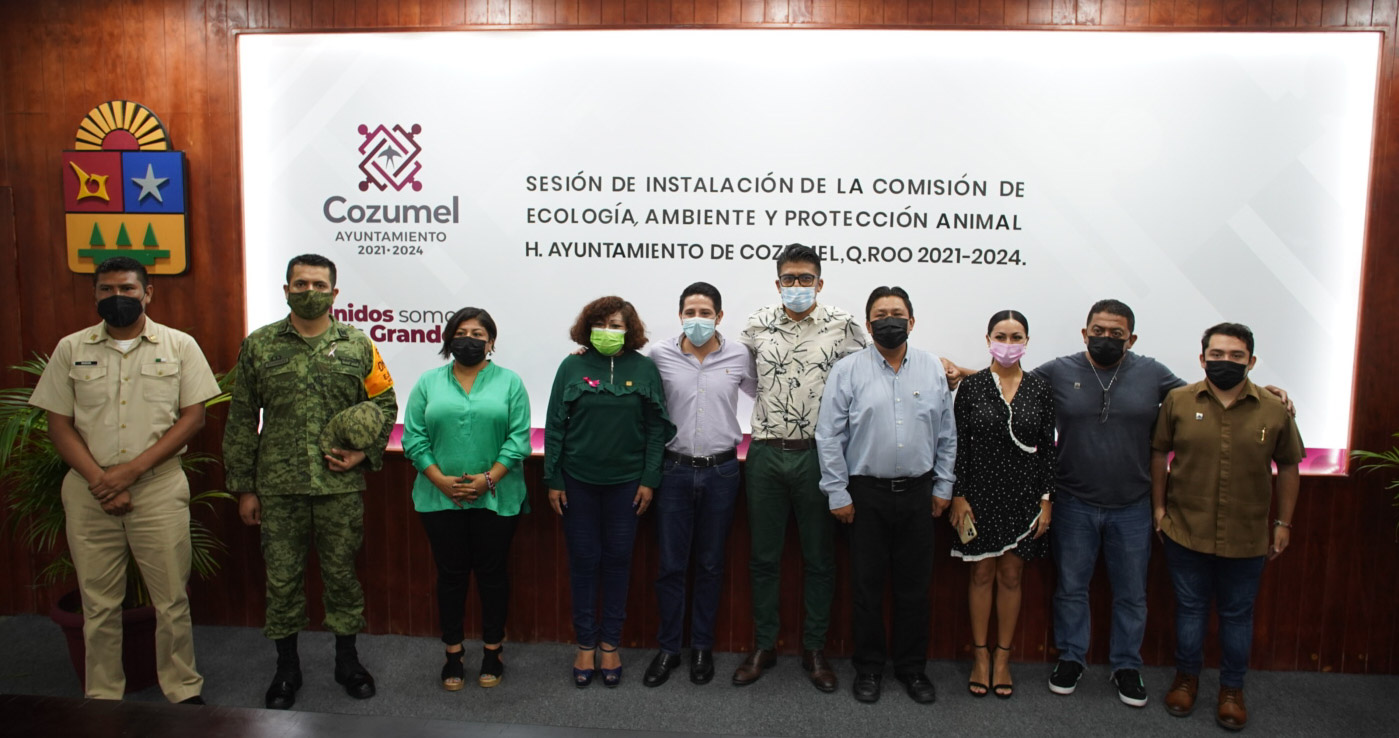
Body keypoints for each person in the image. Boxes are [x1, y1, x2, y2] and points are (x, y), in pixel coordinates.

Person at [29, 256, 221, 705]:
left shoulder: (179, 346)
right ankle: (103, 695)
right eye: (107, 290)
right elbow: (59, 425)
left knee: (171, 599)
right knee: (98, 602)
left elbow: (193, 419)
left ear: (147, 293)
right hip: (88, 492)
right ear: (95, 294)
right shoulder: (71, 348)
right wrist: (101, 480)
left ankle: (182, 688)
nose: (117, 297)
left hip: (157, 488)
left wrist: (130, 473)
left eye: (127, 289)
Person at [223, 254, 397, 710]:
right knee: (282, 581)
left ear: (334, 293)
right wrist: (245, 488)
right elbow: (241, 418)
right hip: (278, 489)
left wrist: (364, 454)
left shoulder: (358, 345)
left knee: (342, 577)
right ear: (286, 290)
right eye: (300, 284)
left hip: (339, 487)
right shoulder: (259, 345)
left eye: (319, 284)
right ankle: (287, 668)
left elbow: (385, 405)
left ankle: (347, 662)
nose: (309, 291)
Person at [1031, 299, 1184, 707]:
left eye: (1117, 333)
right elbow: (1010, 383)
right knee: (1071, 588)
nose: (1106, 338)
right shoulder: (1060, 370)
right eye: (1098, 331)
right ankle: (1071, 658)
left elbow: (1200, 398)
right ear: (1085, 333)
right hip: (1073, 501)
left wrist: (1263, 393)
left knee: (1132, 593)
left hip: (1132, 505)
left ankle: (1126, 665)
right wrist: (960, 373)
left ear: (1131, 339)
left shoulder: (1152, 372)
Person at [1150, 323, 1302, 731]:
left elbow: (1289, 466)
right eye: (1217, 355)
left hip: (1247, 535)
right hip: (1185, 529)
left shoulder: (1273, 408)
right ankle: (1186, 679)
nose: (1225, 362)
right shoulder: (1178, 400)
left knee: (1237, 616)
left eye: (1236, 356)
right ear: (1202, 359)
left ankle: (1232, 690)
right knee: (1190, 610)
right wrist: (1159, 509)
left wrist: (1283, 523)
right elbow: (1159, 453)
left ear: (1251, 361)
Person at [733, 243, 867, 693]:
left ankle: (814, 649)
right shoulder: (756, 324)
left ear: (819, 283)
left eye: (805, 278)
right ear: (778, 283)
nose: (797, 285)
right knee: (763, 558)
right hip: (766, 453)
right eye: (789, 278)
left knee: (820, 559)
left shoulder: (843, 325)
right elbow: (745, 378)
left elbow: (869, 373)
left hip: (818, 455)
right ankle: (764, 645)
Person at [816, 286, 955, 705]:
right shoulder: (847, 370)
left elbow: (946, 435)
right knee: (866, 588)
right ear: (868, 322)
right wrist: (837, 491)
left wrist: (944, 486)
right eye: (880, 314)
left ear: (911, 321)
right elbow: (829, 435)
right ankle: (869, 668)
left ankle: (912, 669)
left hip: (919, 494)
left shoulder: (932, 368)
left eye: (897, 313)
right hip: (866, 495)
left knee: (915, 589)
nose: (889, 320)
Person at [544, 296, 674, 689]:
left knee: (618, 562)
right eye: (600, 323)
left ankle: (610, 644)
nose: (607, 331)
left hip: (628, 485)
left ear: (628, 329)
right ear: (588, 328)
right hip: (577, 482)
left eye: (615, 325)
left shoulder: (644, 368)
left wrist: (650, 478)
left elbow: (656, 429)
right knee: (583, 562)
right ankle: (585, 644)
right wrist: (553, 478)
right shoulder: (572, 366)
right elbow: (555, 425)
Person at [401, 307, 531, 691]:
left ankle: (493, 650)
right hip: (439, 497)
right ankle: (453, 653)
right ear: (448, 339)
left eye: (477, 334)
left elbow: (519, 438)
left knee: (492, 574)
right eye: (461, 333)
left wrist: (488, 479)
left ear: (491, 342)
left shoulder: (510, 382)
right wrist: (440, 480)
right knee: (451, 575)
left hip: (497, 497)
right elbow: (413, 436)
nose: (469, 340)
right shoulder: (428, 382)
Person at [643, 282, 756, 688]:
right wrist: (584, 354)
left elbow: (765, 392)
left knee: (710, 564)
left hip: (722, 471)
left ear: (719, 317)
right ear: (680, 315)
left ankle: (702, 647)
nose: (697, 319)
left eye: (705, 312)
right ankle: (669, 648)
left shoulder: (739, 355)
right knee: (671, 565)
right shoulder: (659, 354)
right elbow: (629, 380)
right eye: (690, 312)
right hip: (673, 470)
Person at [949, 310, 1057, 700]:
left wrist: (1046, 501)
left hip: (1023, 498)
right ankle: (980, 656)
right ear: (988, 339)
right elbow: (958, 446)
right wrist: (958, 495)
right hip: (977, 497)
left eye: (1016, 337)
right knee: (980, 575)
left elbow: (1048, 451)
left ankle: (1002, 659)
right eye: (1001, 336)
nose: (1008, 344)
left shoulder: (1041, 389)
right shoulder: (972, 387)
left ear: (1026, 341)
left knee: (1012, 577)